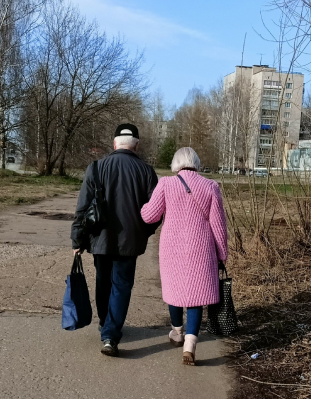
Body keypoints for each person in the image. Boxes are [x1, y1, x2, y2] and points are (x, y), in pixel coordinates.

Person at [70, 123, 160, 357]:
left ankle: (105, 323)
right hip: (130, 241)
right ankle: (110, 333)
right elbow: (157, 210)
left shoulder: (96, 167)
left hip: (99, 238)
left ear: (114, 144)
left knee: (103, 281)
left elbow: (82, 208)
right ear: (136, 145)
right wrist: (145, 231)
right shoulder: (146, 171)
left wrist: (77, 240)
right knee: (121, 286)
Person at [140, 147, 228, 365]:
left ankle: (177, 332)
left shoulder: (166, 184)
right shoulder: (211, 186)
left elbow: (149, 216)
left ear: (175, 164)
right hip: (202, 248)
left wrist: (142, 205)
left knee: (175, 291)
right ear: (196, 163)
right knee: (197, 296)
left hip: (172, 248)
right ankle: (190, 345)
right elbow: (218, 225)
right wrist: (222, 254)